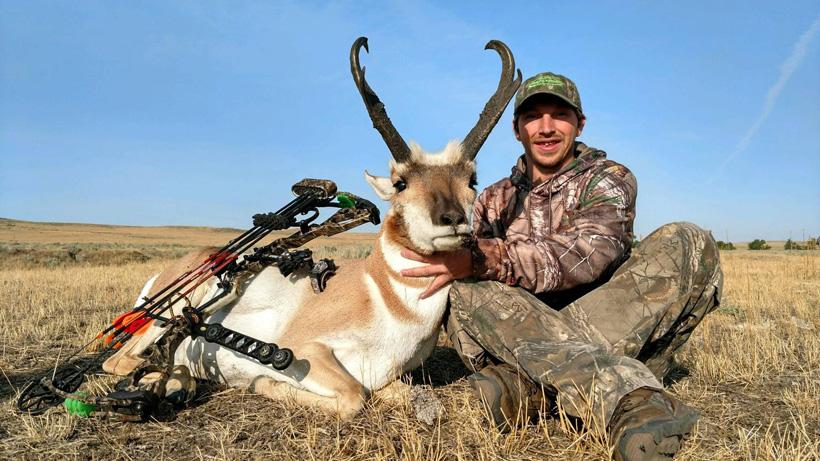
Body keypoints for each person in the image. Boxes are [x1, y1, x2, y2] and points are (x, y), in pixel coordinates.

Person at [400, 72, 723, 461]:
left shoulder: (608, 179)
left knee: (688, 241)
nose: (547, 127)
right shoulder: (492, 198)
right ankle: (623, 397)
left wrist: (484, 258)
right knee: (464, 286)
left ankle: (533, 390)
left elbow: (590, 254)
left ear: (579, 124)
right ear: (517, 129)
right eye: (533, 116)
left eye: (560, 114)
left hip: (600, 317)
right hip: (518, 329)